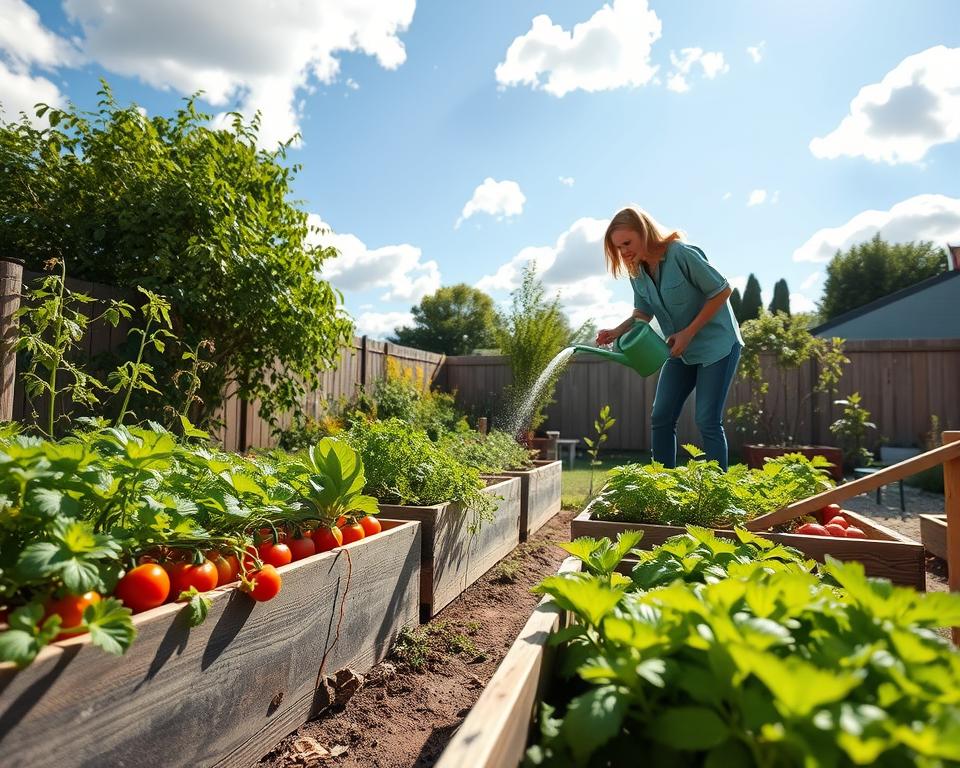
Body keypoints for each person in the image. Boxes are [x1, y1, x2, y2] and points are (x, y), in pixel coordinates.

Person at [596, 207, 743, 470]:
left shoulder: (680, 254)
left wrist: (688, 332)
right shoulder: (637, 271)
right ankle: (662, 486)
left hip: (717, 346)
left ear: (644, 232)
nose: (624, 252)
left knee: (707, 419)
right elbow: (643, 312)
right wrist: (618, 331)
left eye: (627, 243)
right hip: (680, 350)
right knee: (661, 416)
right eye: (618, 248)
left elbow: (722, 290)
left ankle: (718, 494)